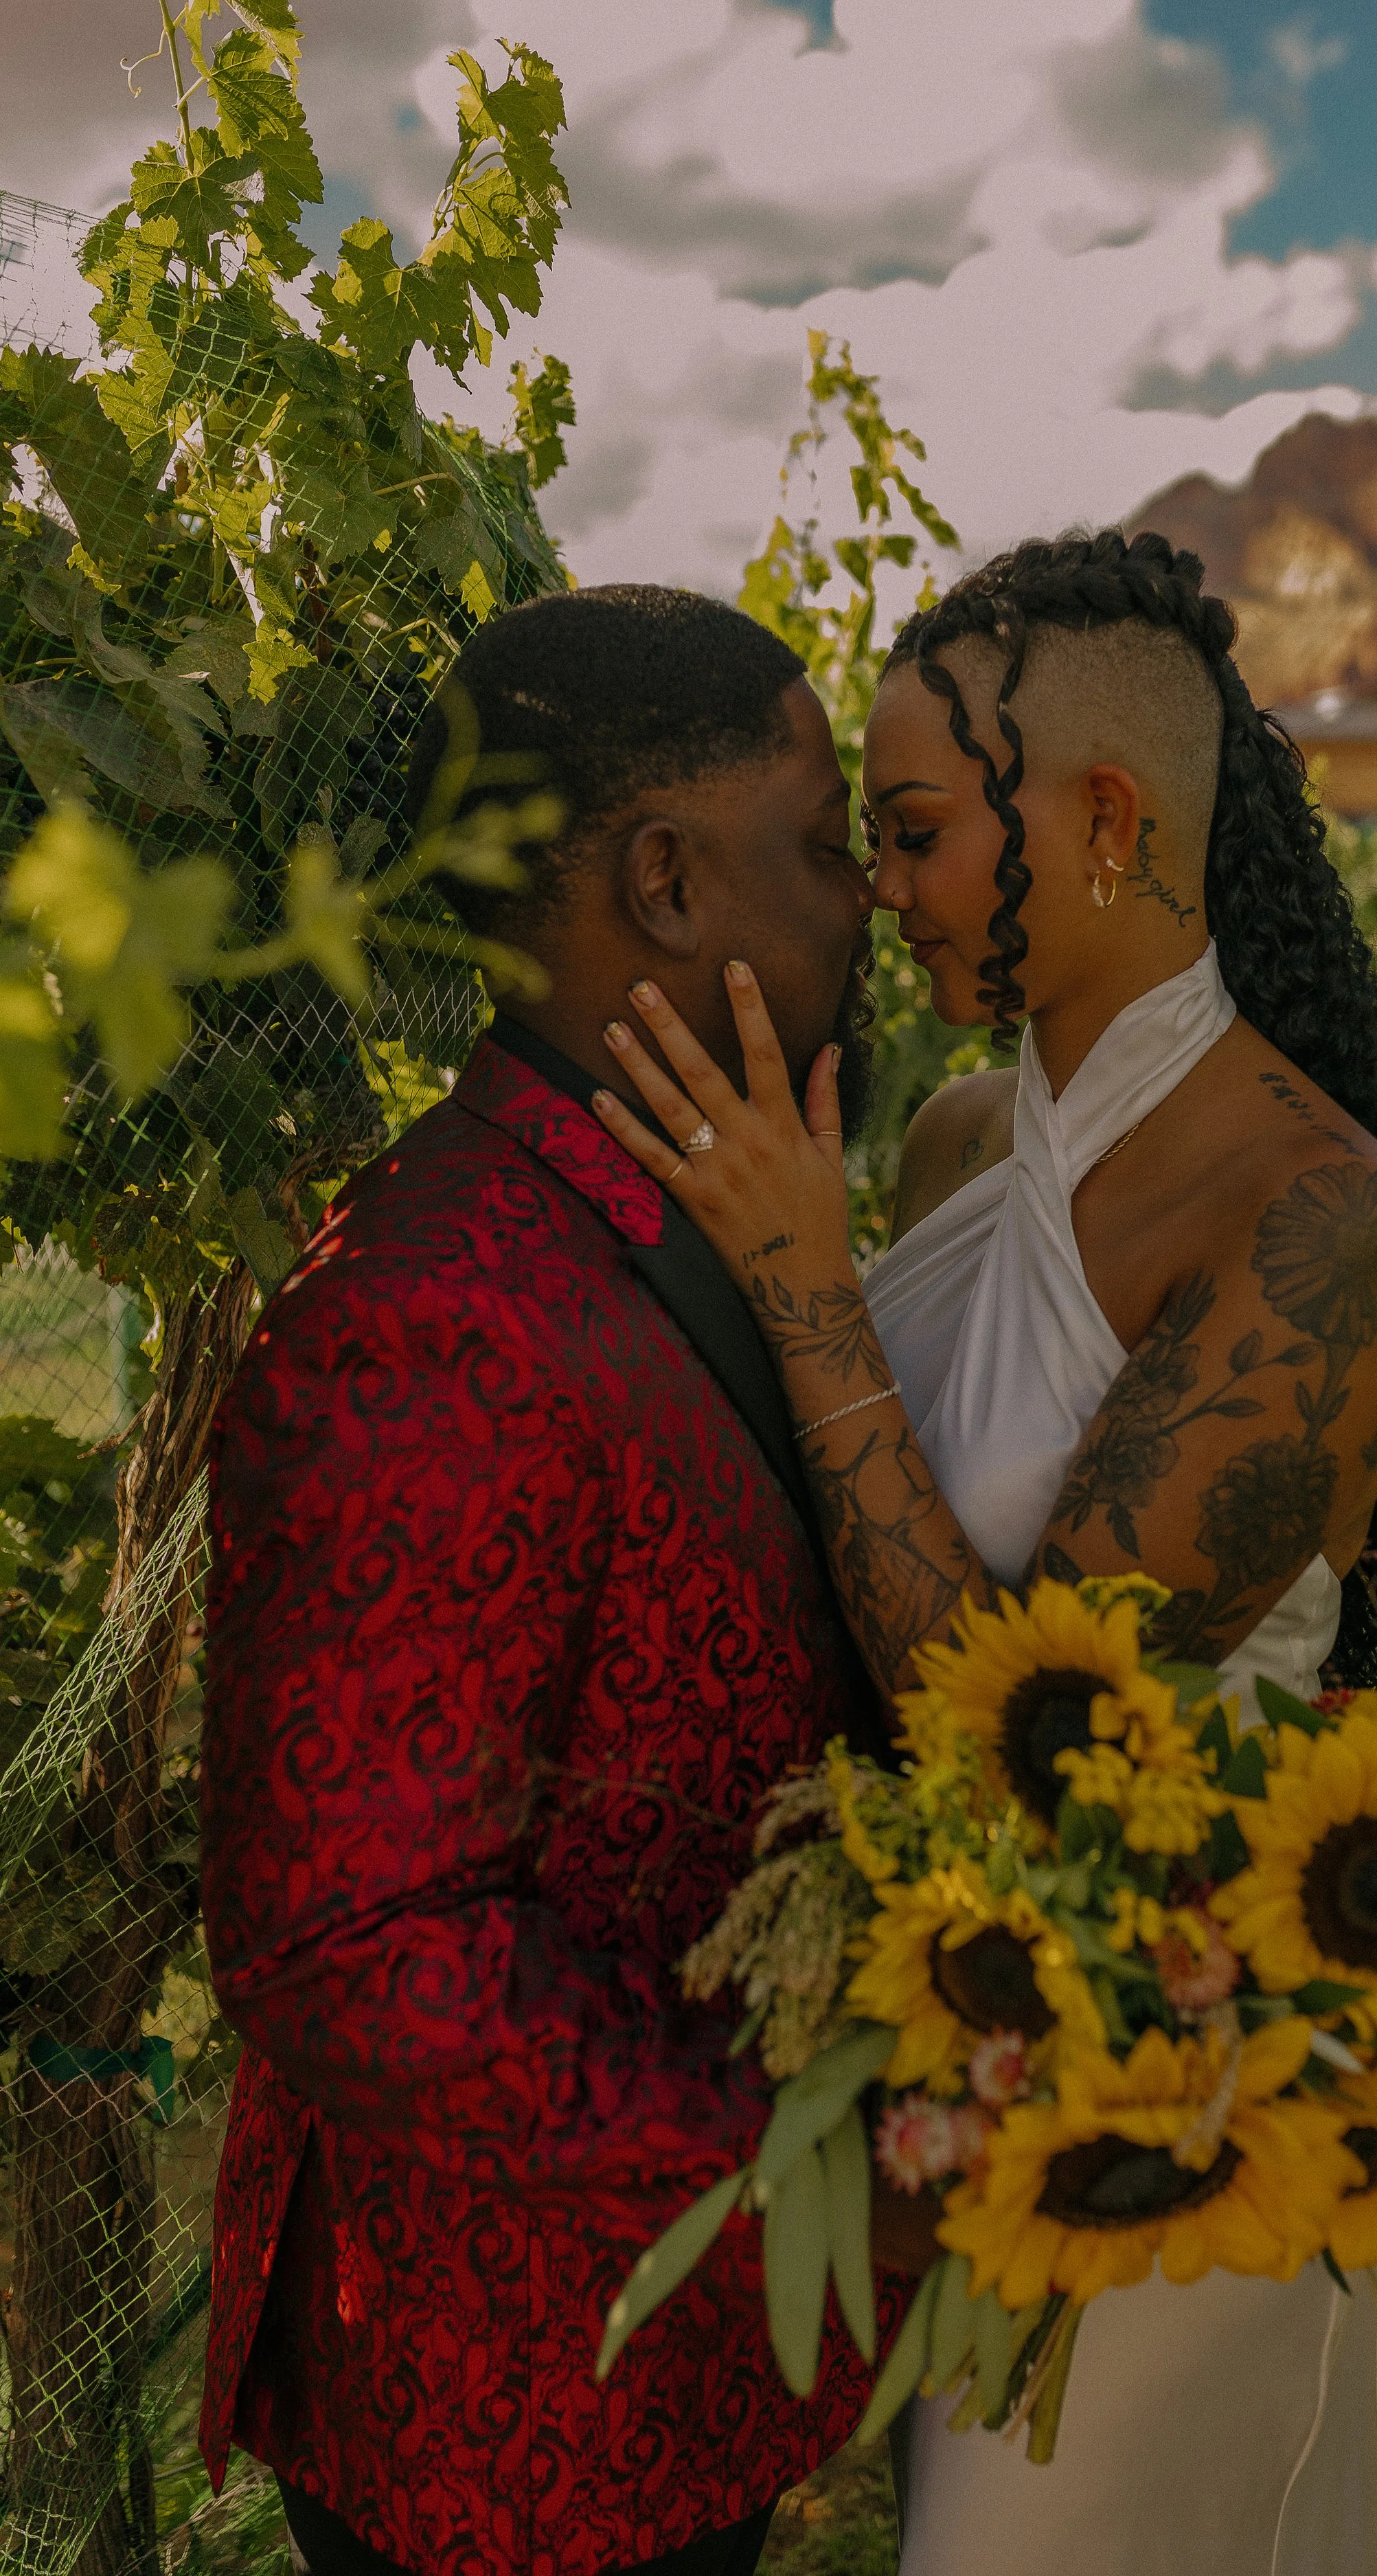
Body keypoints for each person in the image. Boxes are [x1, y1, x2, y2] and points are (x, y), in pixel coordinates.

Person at [587, 528, 1377, 2576]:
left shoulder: (1313, 1221)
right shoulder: (952, 1145)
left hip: (1181, 2097)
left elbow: (1040, 1744)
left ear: (1102, 821)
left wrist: (806, 1291)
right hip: (973, 2063)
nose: (874, 889)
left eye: (914, 832)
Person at [196, 586, 896, 2576]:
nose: (864, 899)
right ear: (665, 882)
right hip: (505, 2432)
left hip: (649, 2381)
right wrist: (806, 2167)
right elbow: (354, 1940)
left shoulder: (659, 1215)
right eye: (824, 837)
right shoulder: (431, 1308)